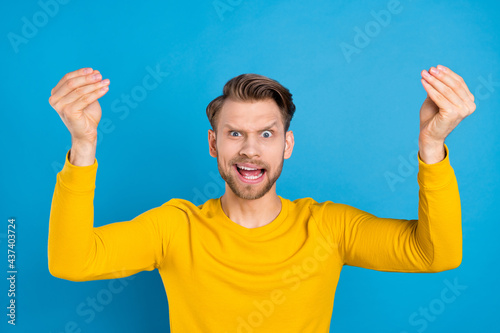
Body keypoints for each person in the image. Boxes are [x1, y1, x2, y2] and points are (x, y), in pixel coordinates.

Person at [47, 65, 475, 332]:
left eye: (265, 134)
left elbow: (433, 254)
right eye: (236, 134)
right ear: (214, 144)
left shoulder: (328, 227)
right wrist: (83, 146)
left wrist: (432, 146)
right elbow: (71, 261)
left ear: (287, 144)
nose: (250, 150)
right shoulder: (175, 227)